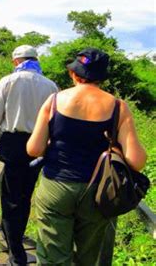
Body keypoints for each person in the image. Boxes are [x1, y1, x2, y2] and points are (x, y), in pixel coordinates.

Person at [27, 48, 147, 265]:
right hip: (98, 190)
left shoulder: (54, 101)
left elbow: (33, 149)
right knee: (88, 257)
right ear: (102, 77)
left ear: (74, 74)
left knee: (53, 256)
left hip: (57, 185)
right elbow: (137, 161)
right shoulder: (119, 107)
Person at [0, 45, 58, 265]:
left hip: (12, 144)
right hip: (39, 145)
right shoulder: (51, 85)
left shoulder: (8, 81)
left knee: (10, 198)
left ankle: (16, 255)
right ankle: (18, 250)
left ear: (16, 61)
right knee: (25, 196)